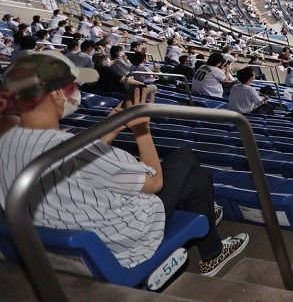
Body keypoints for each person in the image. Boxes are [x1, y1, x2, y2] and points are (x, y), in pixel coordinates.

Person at [0, 51, 249, 275]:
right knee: (187, 158)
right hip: (124, 241)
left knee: (198, 180)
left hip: (61, 240)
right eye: (71, 86)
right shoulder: (77, 152)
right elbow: (154, 183)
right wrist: (141, 128)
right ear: (55, 95)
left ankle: (208, 231)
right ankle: (211, 248)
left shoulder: (6, 143)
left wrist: (113, 126)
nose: (76, 90)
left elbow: (78, 163)